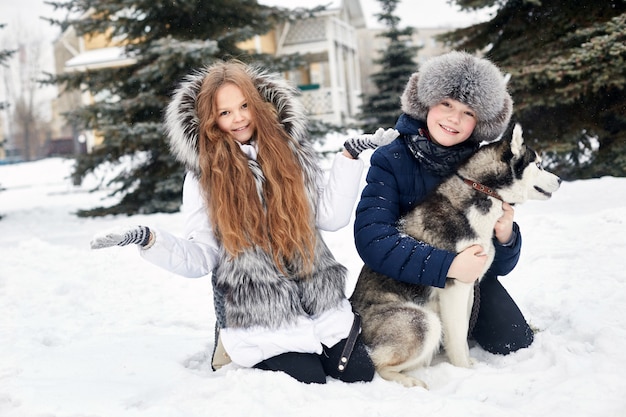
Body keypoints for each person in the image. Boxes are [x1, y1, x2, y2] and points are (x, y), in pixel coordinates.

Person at [90, 60, 398, 384]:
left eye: (244, 106)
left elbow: (330, 218)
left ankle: (319, 339)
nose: (238, 118)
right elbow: (203, 255)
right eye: (224, 113)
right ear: (210, 120)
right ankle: (232, 340)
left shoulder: (292, 153)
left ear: (259, 104)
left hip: (318, 297)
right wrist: (150, 240)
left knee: (360, 372)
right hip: (261, 311)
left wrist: (349, 158)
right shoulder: (203, 178)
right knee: (308, 380)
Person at [353, 51, 534, 355]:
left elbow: (496, 266)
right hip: (402, 283)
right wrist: (448, 265)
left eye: (468, 112)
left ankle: (452, 328)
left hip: (464, 283)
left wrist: (505, 237)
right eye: (446, 104)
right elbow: (373, 239)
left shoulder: (481, 165)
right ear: (425, 103)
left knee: (515, 341)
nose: (454, 118)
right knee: (415, 338)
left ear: (481, 122)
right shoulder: (391, 159)